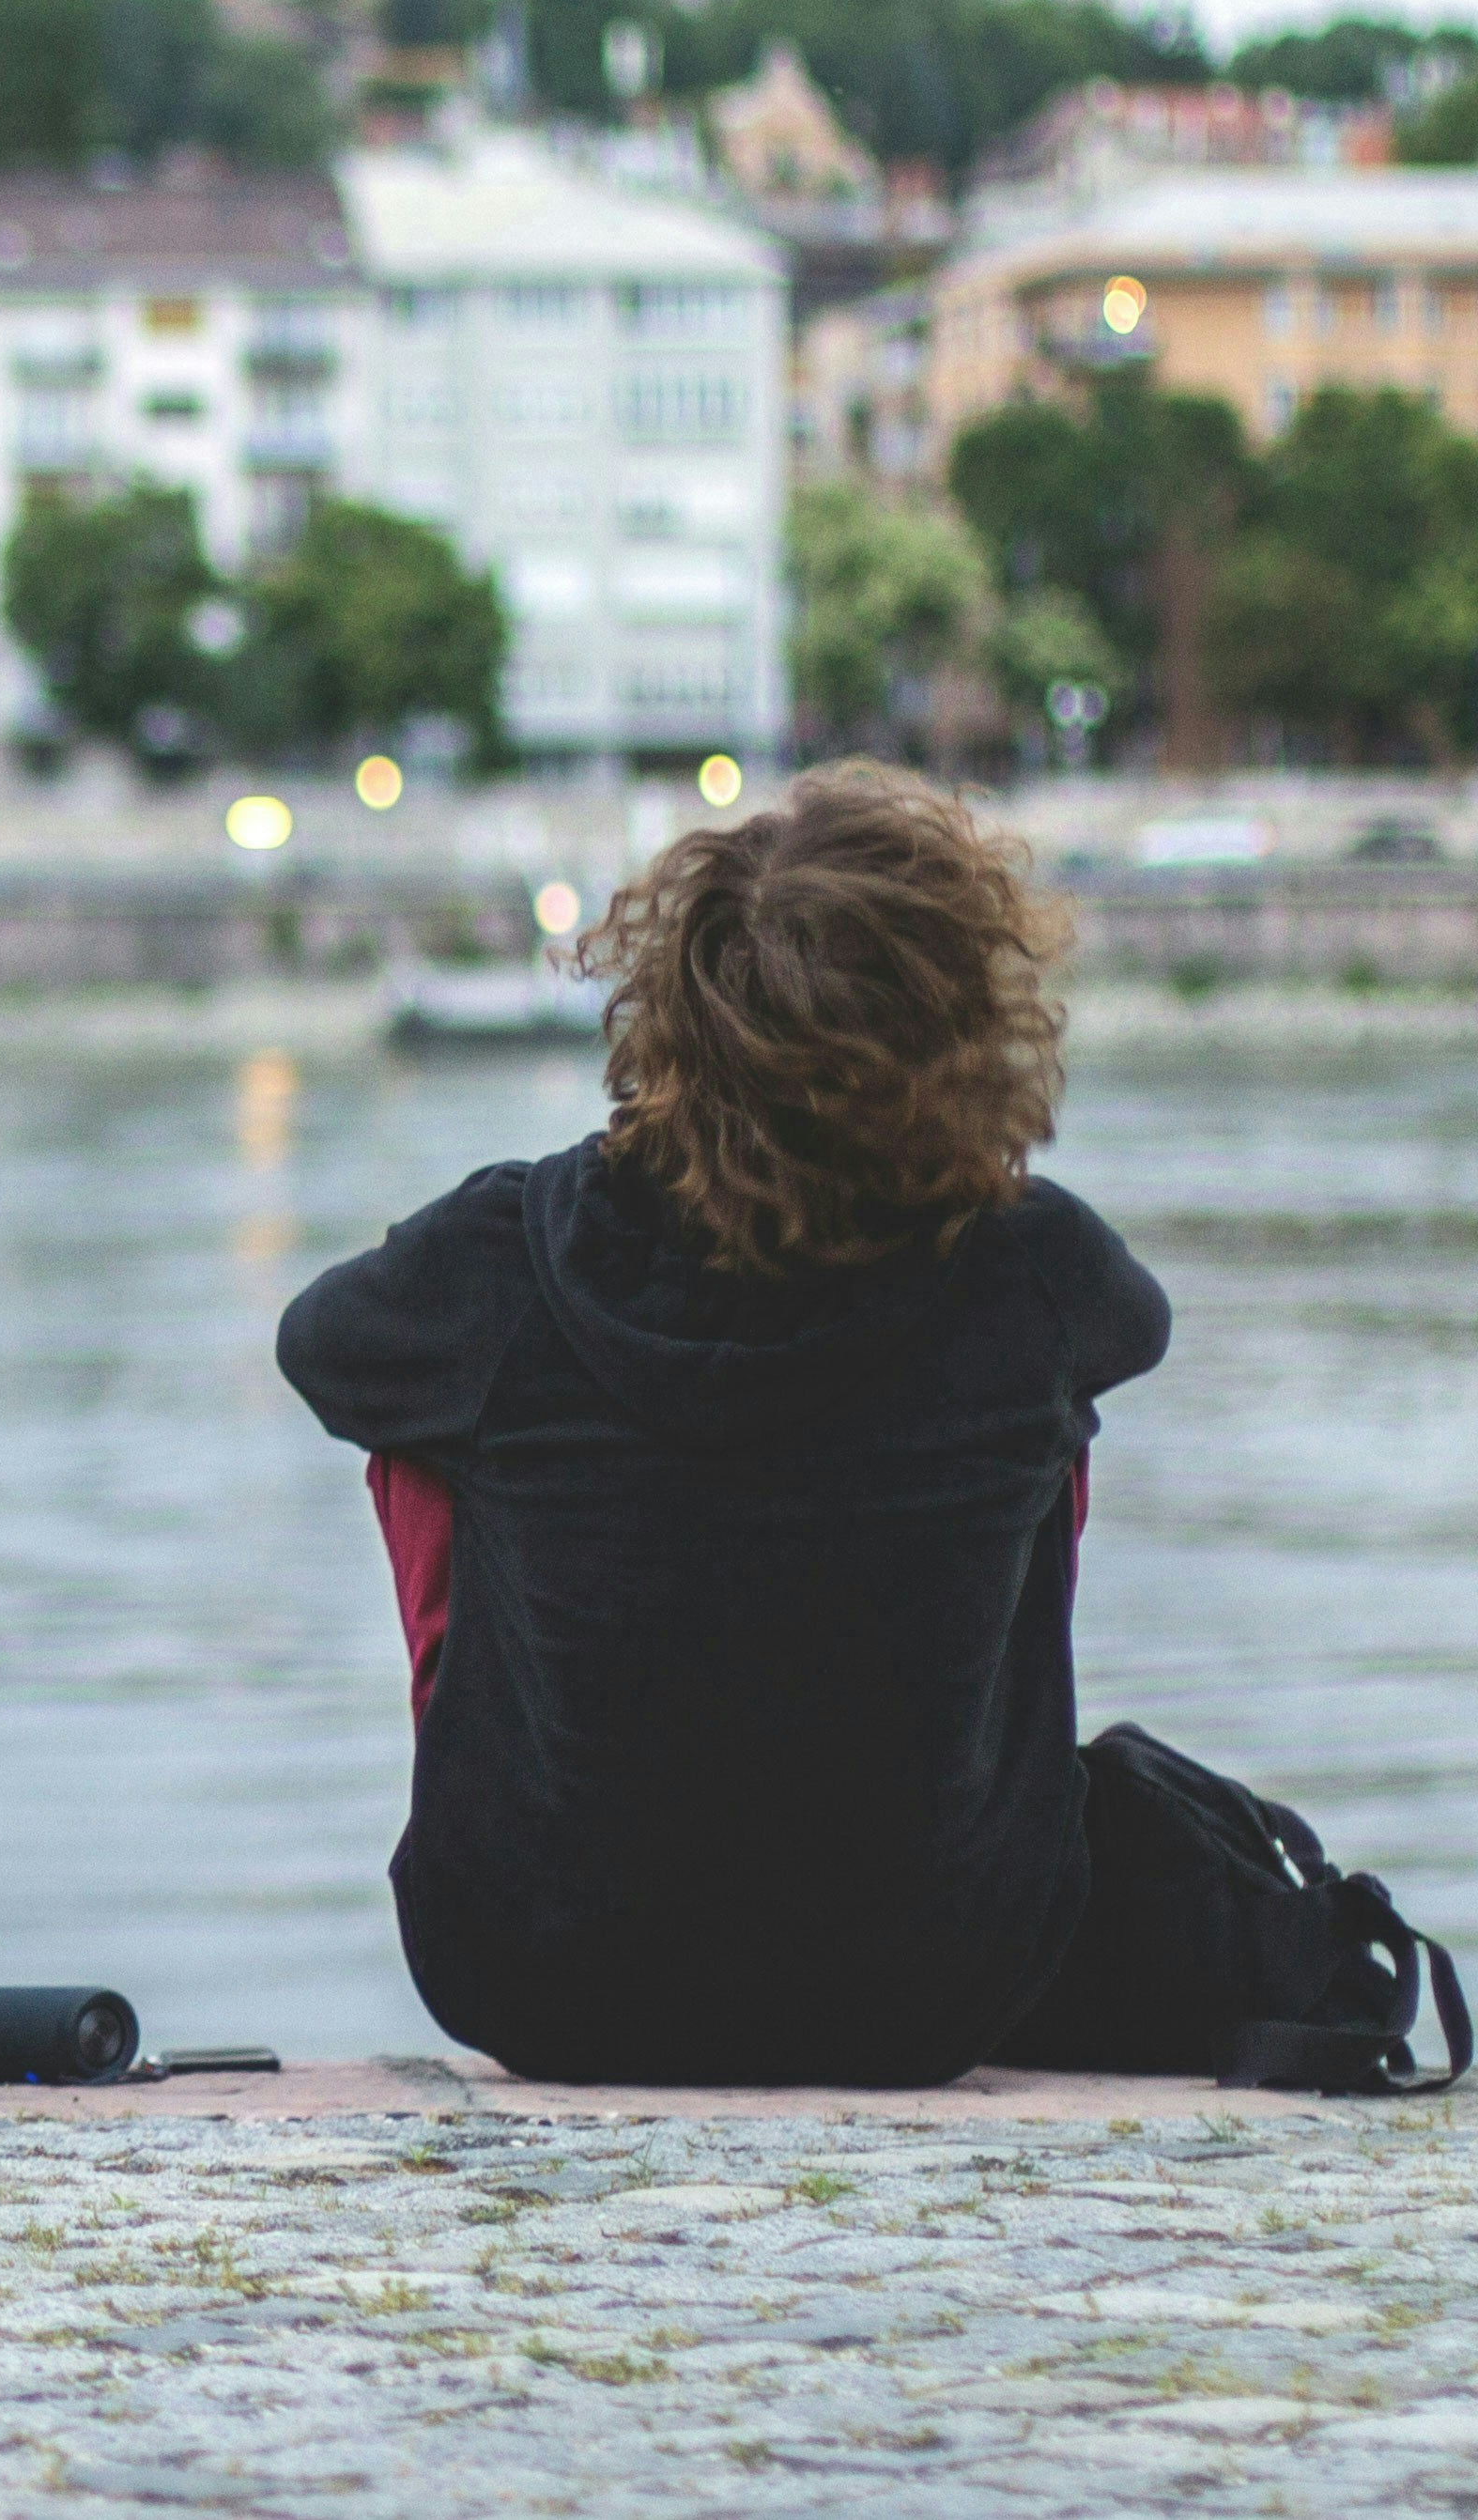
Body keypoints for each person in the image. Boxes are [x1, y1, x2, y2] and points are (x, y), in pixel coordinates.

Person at [278, 764, 1168, 2086]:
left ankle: (553, 1822)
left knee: (424, 1430)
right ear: (966, 1023)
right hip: (936, 1994)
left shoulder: (506, 1260)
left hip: (538, 1981)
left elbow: (319, 1346)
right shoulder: (1031, 1269)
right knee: (1050, 1425)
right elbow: (1132, 1331)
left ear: (666, 1009)